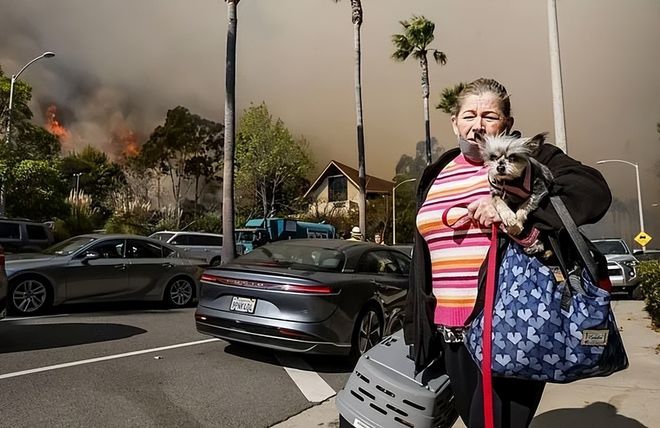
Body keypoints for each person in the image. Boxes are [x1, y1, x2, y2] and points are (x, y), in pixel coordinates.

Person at [403, 78, 611, 428]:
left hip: (510, 326)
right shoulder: (436, 172)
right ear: (454, 122)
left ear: (508, 124)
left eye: (490, 115)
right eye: (469, 115)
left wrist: (514, 205)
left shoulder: (527, 159)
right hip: (450, 332)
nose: (478, 125)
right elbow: (422, 257)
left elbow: (593, 193)